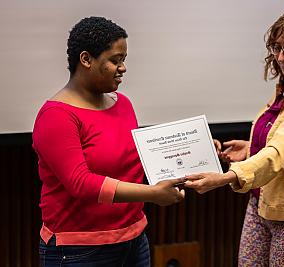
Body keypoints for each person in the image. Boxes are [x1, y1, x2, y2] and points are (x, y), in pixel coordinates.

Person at [185, 7, 284, 266]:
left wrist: (224, 178)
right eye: (277, 47)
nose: (281, 56)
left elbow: (279, 153)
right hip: (260, 205)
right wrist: (249, 148)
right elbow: (279, 142)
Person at [32, 16, 185, 267]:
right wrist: (153, 194)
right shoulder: (56, 116)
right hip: (79, 251)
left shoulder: (122, 103)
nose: (123, 68)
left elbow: (137, 158)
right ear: (86, 60)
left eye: (124, 60)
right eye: (115, 60)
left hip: (134, 239)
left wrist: (190, 149)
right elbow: (81, 183)